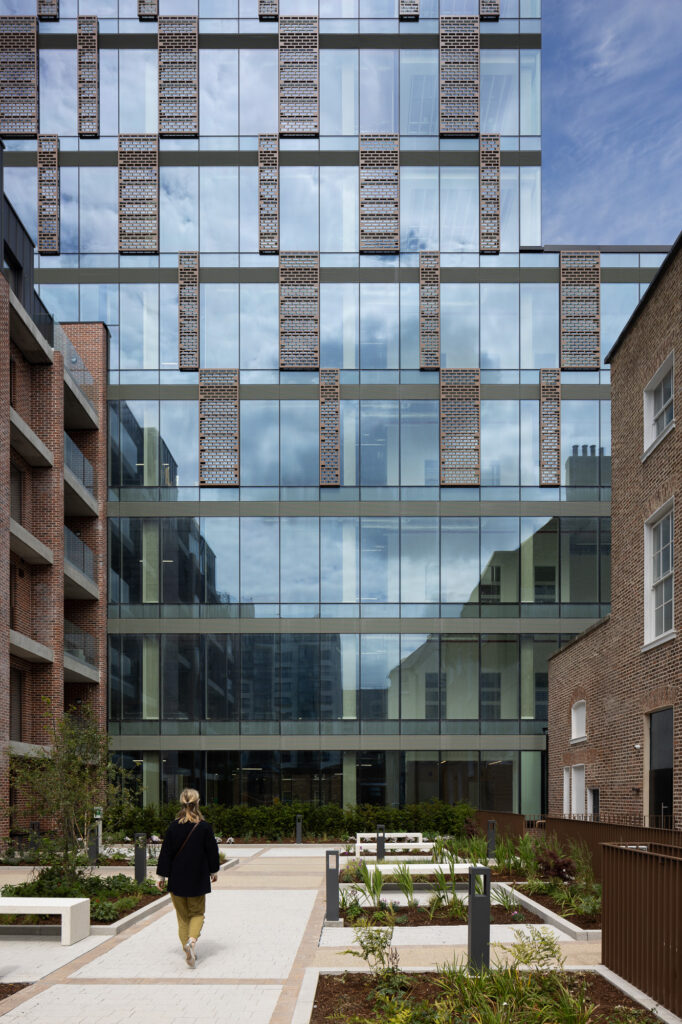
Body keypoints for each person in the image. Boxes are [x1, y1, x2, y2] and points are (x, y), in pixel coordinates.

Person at [156, 788, 220, 968]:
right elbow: (212, 852)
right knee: (197, 913)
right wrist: (213, 871)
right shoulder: (204, 827)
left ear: (181, 803)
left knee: (182, 917)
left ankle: (187, 947)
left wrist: (161, 876)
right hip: (197, 878)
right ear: (197, 803)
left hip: (177, 878)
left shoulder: (173, 826)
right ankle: (191, 943)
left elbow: (166, 853)